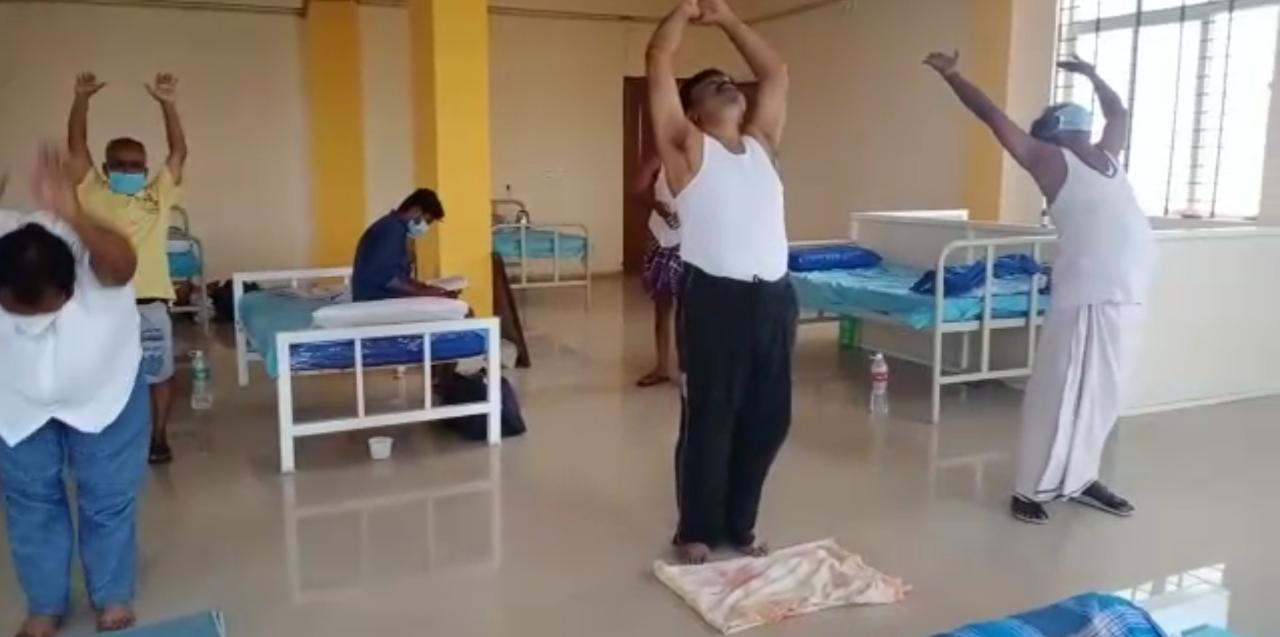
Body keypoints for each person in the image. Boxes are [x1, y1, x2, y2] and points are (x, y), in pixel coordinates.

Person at [924, 51, 1157, 525]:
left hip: (1128, 291)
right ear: (1053, 127)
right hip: (1085, 295)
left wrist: (1094, 73)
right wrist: (953, 75)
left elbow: (1118, 112)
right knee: (1059, 390)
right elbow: (991, 115)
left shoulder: (1109, 157)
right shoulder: (1048, 158)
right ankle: (1029, 488)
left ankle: (1081, 478)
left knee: (1105, 395)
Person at [648, 0, 795, 564]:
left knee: (768, 420)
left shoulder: (762, 142)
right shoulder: (686, 147)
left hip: (775, 298)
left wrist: (730, 18)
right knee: (712, 418)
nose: (728, 85)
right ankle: (697, 530)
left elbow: (775, 73)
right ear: (693, 108)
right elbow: (658, 57)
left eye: (730, 81)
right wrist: (686, 13)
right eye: (713, 85)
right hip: (717, 299)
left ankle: (740, 524)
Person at [1, 146, 148, 636]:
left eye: (42, 310)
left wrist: (73, 212)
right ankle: (45, 604)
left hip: (105, 392)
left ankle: (111, 596)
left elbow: (125, 263)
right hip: (16, 402)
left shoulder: (89, 257)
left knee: (106, 497)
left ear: (68, 291)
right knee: (30, 501)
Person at [66, 71, 188, 466]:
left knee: (158, 372)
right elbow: (75, 146)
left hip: (150, 302)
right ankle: (102, 435)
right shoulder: (93, 192)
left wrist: (167, 103)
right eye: (121, 164)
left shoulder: (157, 195)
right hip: (102, 301)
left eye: (137, 164)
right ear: (106, 166)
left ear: (145, 167)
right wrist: (81, 99)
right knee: (101, 371)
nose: (130, 169)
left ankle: (158, 438)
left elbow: (179, 152)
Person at [351, 188, 451, 302]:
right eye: (427, 222)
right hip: (376, 299)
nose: (425, 228)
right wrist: (423, 292)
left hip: (380, 296)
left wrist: (424, 287)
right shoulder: (392, 230)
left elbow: (398, 276)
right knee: (460, 308)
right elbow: (387, 280)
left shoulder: (394, 228)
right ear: (416, 211)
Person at [634, 153, 682, 387]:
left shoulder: (706, 155)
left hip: (693, 239)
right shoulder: (660, 157)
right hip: (661, 237)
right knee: (662, 305)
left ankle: (690, 369)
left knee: (692, 307)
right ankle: (662, 367)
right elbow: (636, 190)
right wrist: (657, 206)